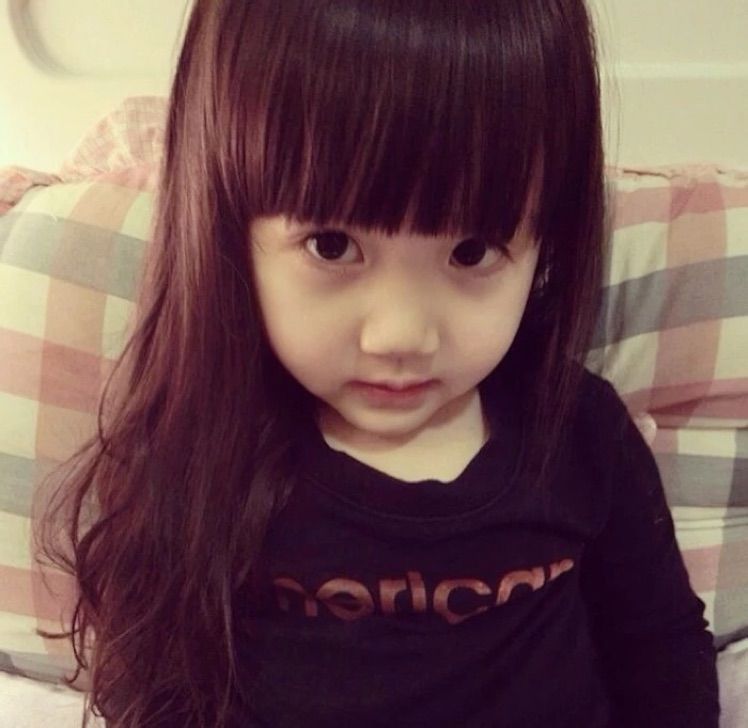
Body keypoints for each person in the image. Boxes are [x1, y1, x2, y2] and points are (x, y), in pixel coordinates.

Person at [35, 1, 720, 726]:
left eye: (472, 252)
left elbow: (662, 652)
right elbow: (150, 685)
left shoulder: (583, 433)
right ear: (230, 229)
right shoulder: (195, 452)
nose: (401, 335)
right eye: (332, 246)